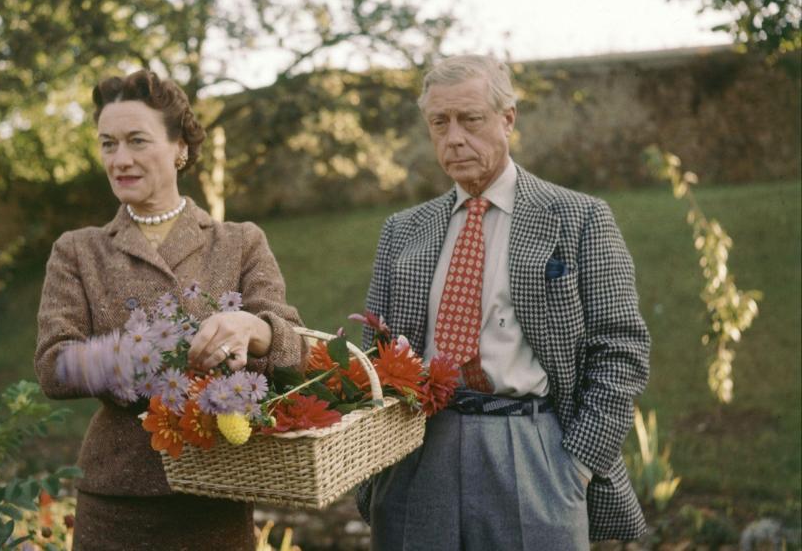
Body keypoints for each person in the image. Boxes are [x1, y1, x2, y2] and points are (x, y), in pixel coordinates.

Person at [356, 55, 650, 549]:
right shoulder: (402, 230)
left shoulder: (579, 219)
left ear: (507, 119)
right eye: (439, 122)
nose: (453, 137)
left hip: (534, 453)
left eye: (470, 119)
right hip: (416, 451)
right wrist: (376, 468)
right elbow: (372, 355)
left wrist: (576, 465)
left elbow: (621, 350)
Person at [35, 69, 306, 550]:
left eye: (137, 141)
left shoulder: (239, 242)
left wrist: (253, 329)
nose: (120, 159)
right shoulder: (78, 251)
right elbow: (55, 367)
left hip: (216, 499)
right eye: (107, 144)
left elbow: (297, 352)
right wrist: (151, 353)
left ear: (180, 146)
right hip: (116, 503)